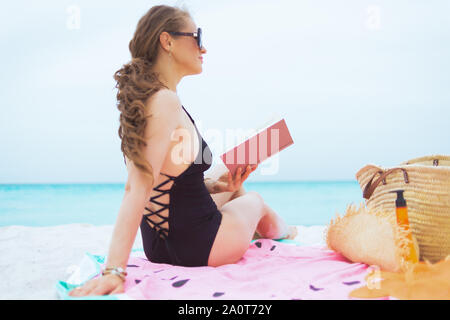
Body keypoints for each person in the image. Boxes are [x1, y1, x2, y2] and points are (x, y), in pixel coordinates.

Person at [69, 4, 297, 297]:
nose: (204, 48)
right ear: (168, 41)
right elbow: (136, 187)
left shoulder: (147, 101)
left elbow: (167, 180)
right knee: (254, 199)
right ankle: (287, 231)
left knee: (226, 177)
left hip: (159, 245)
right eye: (197, 37)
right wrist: (114, 271)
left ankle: (248, 214)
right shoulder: (165, 102)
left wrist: (215, 185)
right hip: (199, 246)